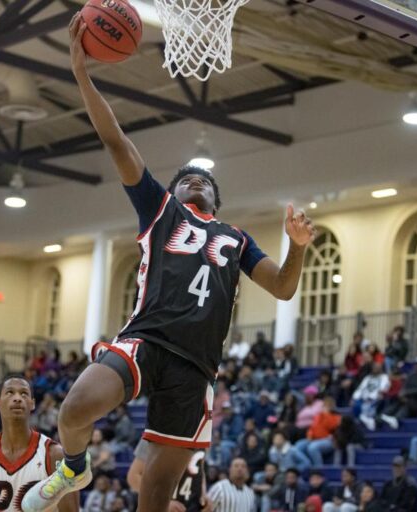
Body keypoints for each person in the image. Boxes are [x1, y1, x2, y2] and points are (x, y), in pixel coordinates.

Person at [24, 13, 317, 512]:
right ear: (175, 192)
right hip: (147, 339)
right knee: (73, 409)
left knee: (156, 497)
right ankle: (74, 468)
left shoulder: (236, 238)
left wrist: (298, 248)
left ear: (216, 201)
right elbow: (116, 140)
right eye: (186, 179)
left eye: (203, 180)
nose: (195, 181)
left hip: (196, 369)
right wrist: (81, 74)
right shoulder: (160, 210)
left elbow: (284, 289)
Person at [0, 375, 78, 512]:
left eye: (24, 393)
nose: (17, 398)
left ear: (32, 403)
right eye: (10, 392)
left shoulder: (54, 454)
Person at [352, 363, 390, 430]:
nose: (375, 369)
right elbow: (360, 388)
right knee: (356, 404)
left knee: (375, 402)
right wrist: (354, 398)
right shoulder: (367, 377)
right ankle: (364, 418)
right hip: (364, 399)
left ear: (380, 369)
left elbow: (384, 388)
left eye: (377, 368)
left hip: (375, 399)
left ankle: (365, 418)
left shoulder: (384, 377)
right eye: (374, 368)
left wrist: (376, 395)